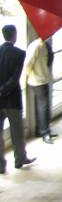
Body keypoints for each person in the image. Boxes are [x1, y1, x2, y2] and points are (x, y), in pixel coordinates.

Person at [0, 25, 35, 173]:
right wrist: (3, 90)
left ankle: (1, 165)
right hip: (12, 99)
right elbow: (15, 78)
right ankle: (19, 159)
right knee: (17, 132)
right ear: (14, 35)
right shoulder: (19, 53)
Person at [25, 37, 56, 144]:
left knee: (43, 106)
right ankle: (44, 132)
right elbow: (28, 63)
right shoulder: (37, 46)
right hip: (37, 80)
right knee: (43, 106)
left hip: (43, 78)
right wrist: (26, 77)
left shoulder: (45, 45)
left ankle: (43, 129)